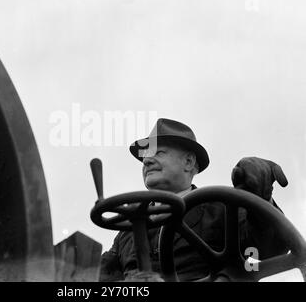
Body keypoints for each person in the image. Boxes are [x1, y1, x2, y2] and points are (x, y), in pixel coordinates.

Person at [99, 118, 289, 282]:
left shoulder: (220, 210)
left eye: (159, 153)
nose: (147, 161)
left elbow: (271, 247)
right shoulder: (126, 232)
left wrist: (260, 201)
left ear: (188, 162)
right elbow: (99, 276)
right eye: (145, 156)